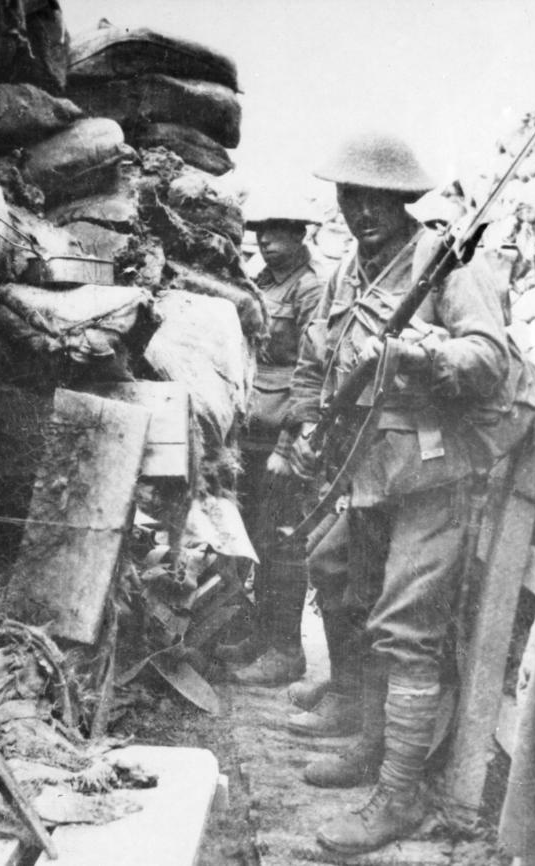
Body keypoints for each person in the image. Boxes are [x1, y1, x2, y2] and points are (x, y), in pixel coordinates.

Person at [282, 131, 535, 854]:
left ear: (404, 200)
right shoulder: (346, 273)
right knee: (346, 586)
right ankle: (369, 742)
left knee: (407, 624)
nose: (362, 210)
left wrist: (416, 349)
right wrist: (304, 430)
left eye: (378, 197)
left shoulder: (447, 264)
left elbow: (488, 358)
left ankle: (399, 797)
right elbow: (320, 363)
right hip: (366, 469)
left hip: (434, 469)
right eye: (351, 196)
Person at [215, 198, 329, 686]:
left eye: (278, 230)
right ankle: (260, 635)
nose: (266, 240)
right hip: (252, 427)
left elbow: (312, 369)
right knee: (255, 538)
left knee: (282, 541)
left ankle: (286, 650)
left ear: (300, 234)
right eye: (261, 230)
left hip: (283, 429)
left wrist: (289, 439)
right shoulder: (260, 282)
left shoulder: (311, 287)